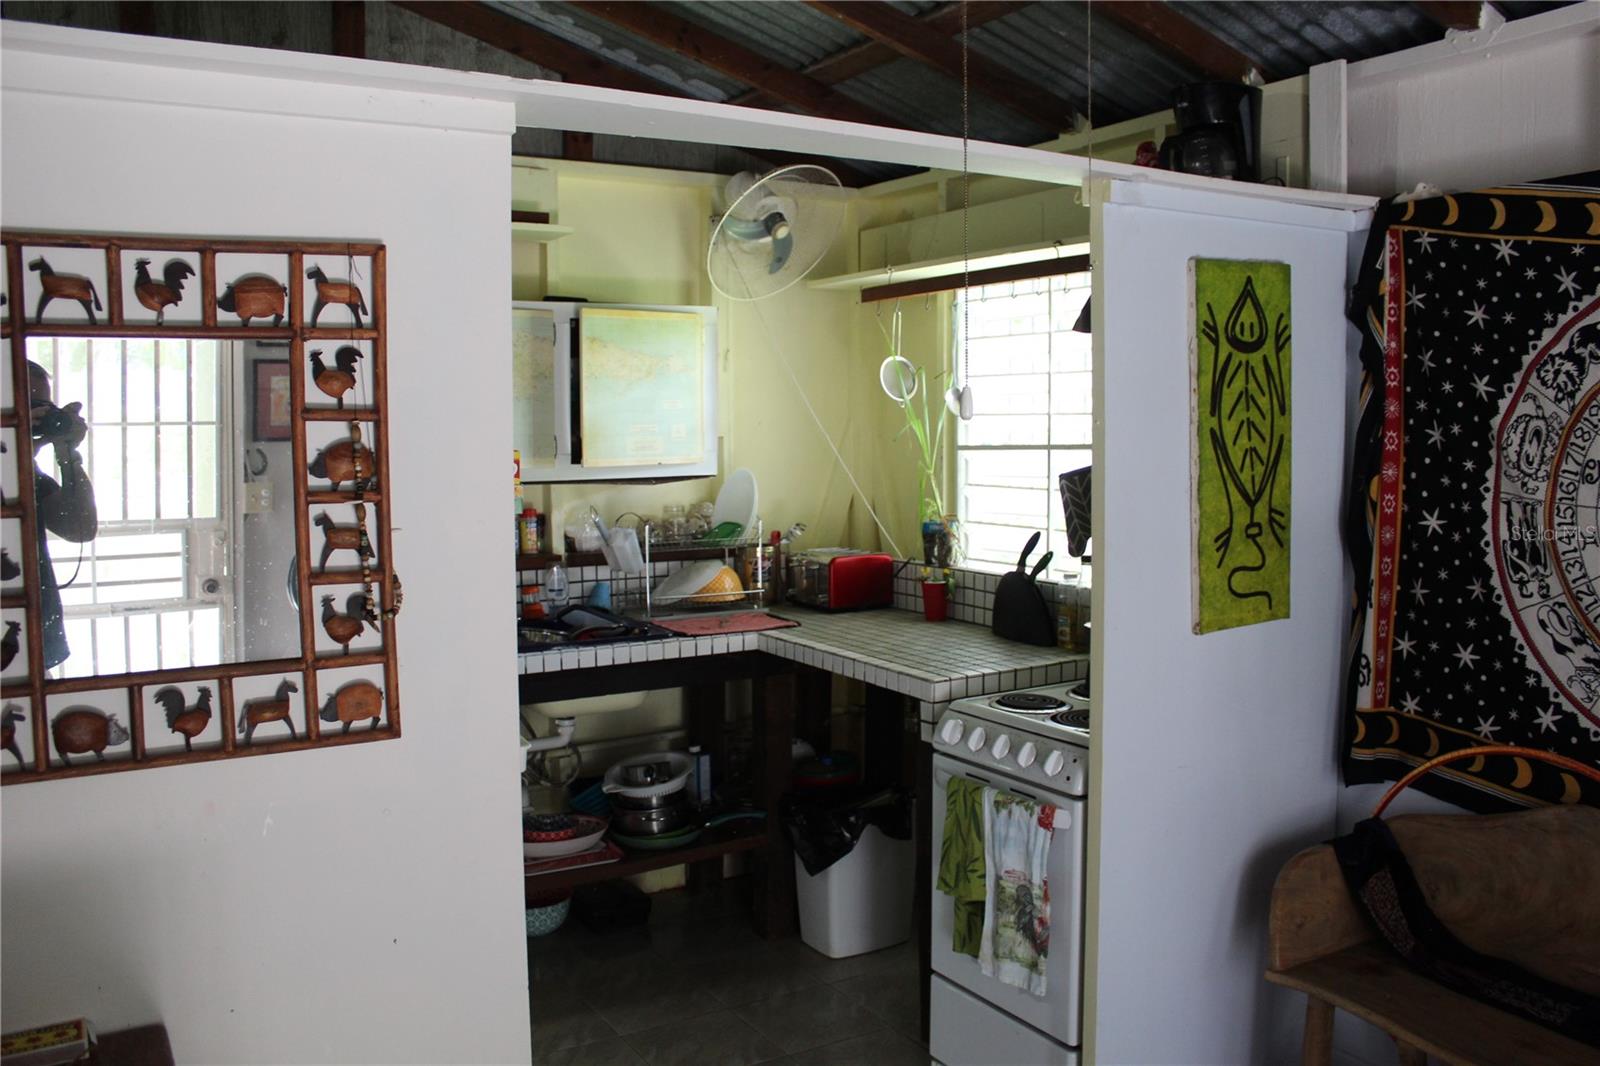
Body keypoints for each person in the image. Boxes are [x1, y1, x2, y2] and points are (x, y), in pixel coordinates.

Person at [28, 360, 96, 668]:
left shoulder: (28, 473)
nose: (37, 415)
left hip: (32, 638)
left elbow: (80, 528)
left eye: (42, 406)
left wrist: (68, 455)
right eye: (26, 405)